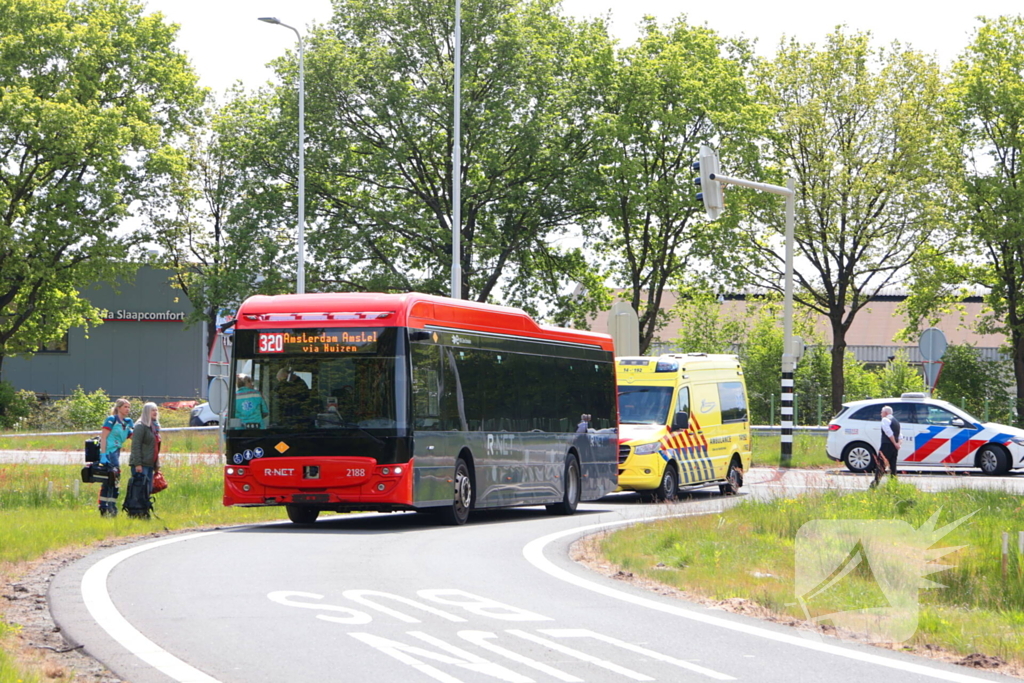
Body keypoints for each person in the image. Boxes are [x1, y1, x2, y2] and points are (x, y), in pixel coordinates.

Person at [97, 398, 133, 516]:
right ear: (118, 408)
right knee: (112, 478)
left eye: (128, 407)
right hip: (109, 451)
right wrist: (103, 454)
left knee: (113, 479)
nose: (127, 409)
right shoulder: (111, 420)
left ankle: (110, 505)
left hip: (117, 451)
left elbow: (132, 436)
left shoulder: (126, 423)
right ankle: (105, 507)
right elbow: (103, 437)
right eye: (125, 407)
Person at [127, 402, 160, 517]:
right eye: (152, 410)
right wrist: (137, 464)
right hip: (141, 464)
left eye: (156, 410)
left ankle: (144, 512)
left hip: (150, 464)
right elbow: (135, 446)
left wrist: (156, 465)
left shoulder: (154, 427)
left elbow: (155, 447)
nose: (155, 412)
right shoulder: (140, 426)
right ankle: (135, 513)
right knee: (139, 490)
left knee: (147, 490)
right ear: (147, 412)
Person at [872, 404, 901, 488]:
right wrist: (898, 444)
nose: (881, 414)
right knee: (893, 466)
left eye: (881, 412)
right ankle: (894, 484)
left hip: (886, 445)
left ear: (885, 412)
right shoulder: (896, 421)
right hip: (894, 448)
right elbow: (900, 435)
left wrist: (894, 443)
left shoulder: (885, 420)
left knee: (881, 465)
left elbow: (888, 433)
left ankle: (875, 484)